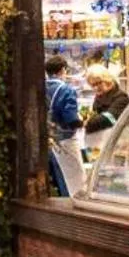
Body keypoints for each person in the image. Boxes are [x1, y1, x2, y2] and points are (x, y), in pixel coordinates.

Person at [44, 54, 85, 197]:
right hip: (65, 140)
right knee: (75, 180)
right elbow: (70, 118)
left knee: (58, 178)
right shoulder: (66, 90)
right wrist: (83, 123)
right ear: (62, 70)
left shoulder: (41, 87)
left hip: (47, 140)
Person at [82, 64, 129, 136]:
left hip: (121, 140)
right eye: (93, 85)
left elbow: (108, 119)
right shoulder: (99, 98)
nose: (96, 88)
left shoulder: (121, 97)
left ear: (107, 80)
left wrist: (85, 122)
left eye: (98, 83)